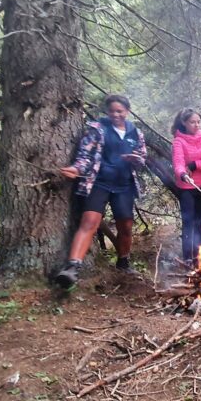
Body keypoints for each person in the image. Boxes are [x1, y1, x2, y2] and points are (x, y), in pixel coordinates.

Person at [55, 94, 147, 288]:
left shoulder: (135, 132)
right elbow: (85, 155)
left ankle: (123, 262)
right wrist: (76, 169)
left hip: (124, 185)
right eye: (112, 110)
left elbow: (142, 156)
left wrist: (135, 159)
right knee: (89, 221)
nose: (116, 114)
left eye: (120, 111)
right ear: (107, 111)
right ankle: (72, 267)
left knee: (126, 226)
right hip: (99, 182)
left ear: (127, 112)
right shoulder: (98, 129)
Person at [171, 108, 201, 266]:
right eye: (193, 122)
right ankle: (187, 257)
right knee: (188, 222)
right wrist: (183, 173)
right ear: (184, 123)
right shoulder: (179, 141)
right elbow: (178, 163)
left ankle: (199, 254)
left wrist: (195, 165)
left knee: (200, 221)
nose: (196, 125)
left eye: (198, 122)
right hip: (187, 187)